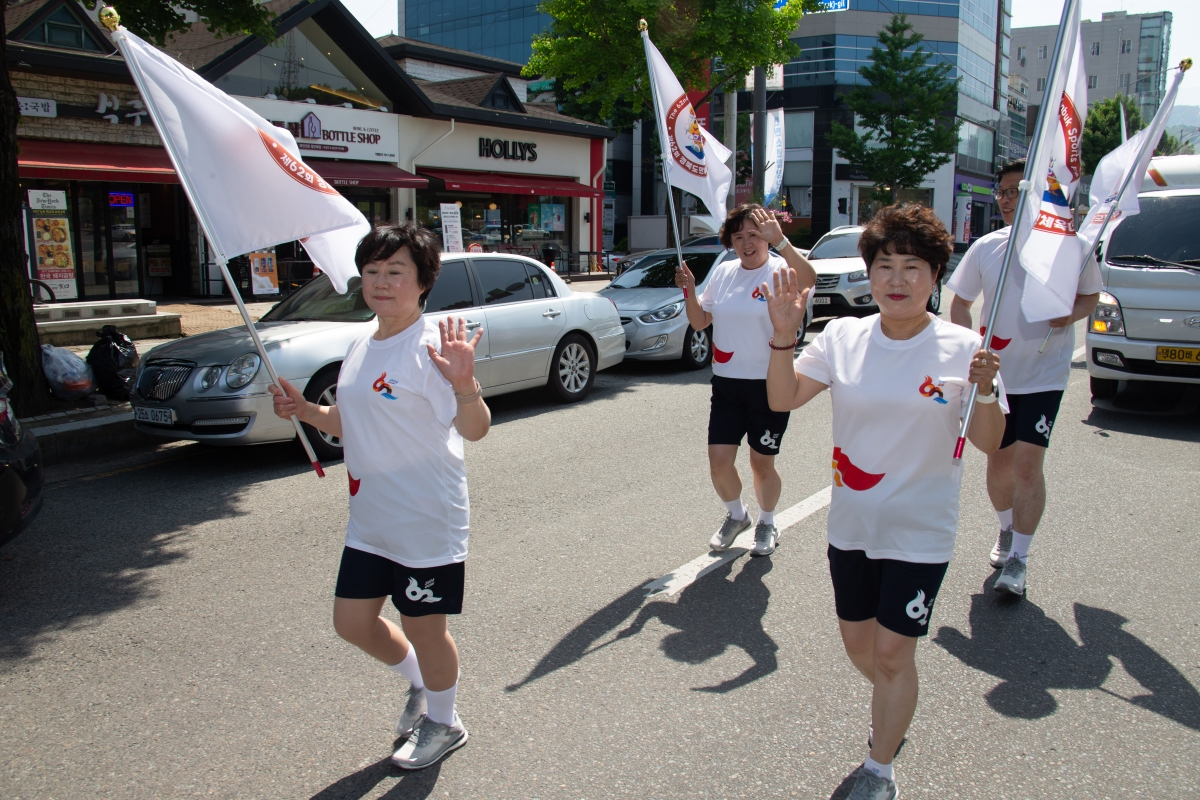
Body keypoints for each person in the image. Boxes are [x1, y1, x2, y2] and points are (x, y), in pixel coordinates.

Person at [763, 204, 1006, 800]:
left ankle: (880, 768)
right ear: (869, 275)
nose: (897, 280)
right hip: (852, 525)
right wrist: (782, 337)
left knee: (894, 654)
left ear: (935, 277)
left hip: (921, 530)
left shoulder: (964, 348)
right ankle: (898, 700)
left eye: (913, 267)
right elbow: (783, 398)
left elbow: (991, 441)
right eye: (885, 265)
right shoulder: (843, 336)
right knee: (861, 647)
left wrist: (987, 391)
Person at [269, 223, 490, 770]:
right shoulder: (361, 344)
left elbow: (476, 428)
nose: (381, 282)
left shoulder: (432, 348)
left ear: (422, 282)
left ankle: (446, 721)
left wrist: (466, 384)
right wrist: (307, 412)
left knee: (425, 628)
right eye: (372, 272)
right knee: (352, 623)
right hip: (370, 518)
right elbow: (349, 420)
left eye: (396, 272)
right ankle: (421, 685)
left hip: (424, 519)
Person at [947, 159, 1101, 596]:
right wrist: (968, 347)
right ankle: (1006, 530)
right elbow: (960, 303)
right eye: (1004, 191)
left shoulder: (1070, 248)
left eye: (1018, 190)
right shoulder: (987, 247)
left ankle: (1020, 560)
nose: (1009, 198)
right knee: (999, 460)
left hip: (1044, 374)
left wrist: (1066, 316)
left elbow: (1090, 295)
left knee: (1028, 466)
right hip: (997, 377)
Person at [674, 205, 817, 556]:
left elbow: (810, 278)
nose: (746, 242)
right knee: (719, 462)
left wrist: (781, 242)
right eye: (738, 236)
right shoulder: (723, 272)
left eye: (753, 234)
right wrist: (689, 291)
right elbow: (699, 322)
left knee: (761, 462)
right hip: (726, 384)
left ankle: (767, 521)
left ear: (766, 235)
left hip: (770, 384)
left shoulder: (782, 269)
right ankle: (737, 516)